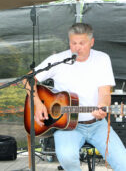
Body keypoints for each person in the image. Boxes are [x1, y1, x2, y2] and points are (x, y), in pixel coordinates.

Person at [24, 23, 126, 170]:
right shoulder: (58, 60)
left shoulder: (102, 59)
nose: (77, 47)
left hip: (97, 125)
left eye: (82, 43)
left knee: (123, 162)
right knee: (67, 157)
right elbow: (28, 79)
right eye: (73, 43)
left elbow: (104, 92)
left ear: (92, 42)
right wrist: (38, 104)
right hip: (67, 127)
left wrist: (102, 107)